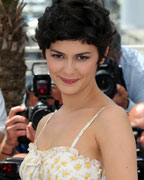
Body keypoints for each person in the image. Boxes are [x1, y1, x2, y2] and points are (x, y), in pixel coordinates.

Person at [19, 0, 137, 179]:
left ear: (102, 55)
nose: (68, 69)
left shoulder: (111, 119)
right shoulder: (45, 122)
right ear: (44, 53)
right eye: (58, 56)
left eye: (81, 57)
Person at [108, 29, 144, 112]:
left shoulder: (139, 69)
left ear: (120, 55)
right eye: (99, 62)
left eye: (109, 62)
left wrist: (126, 104)